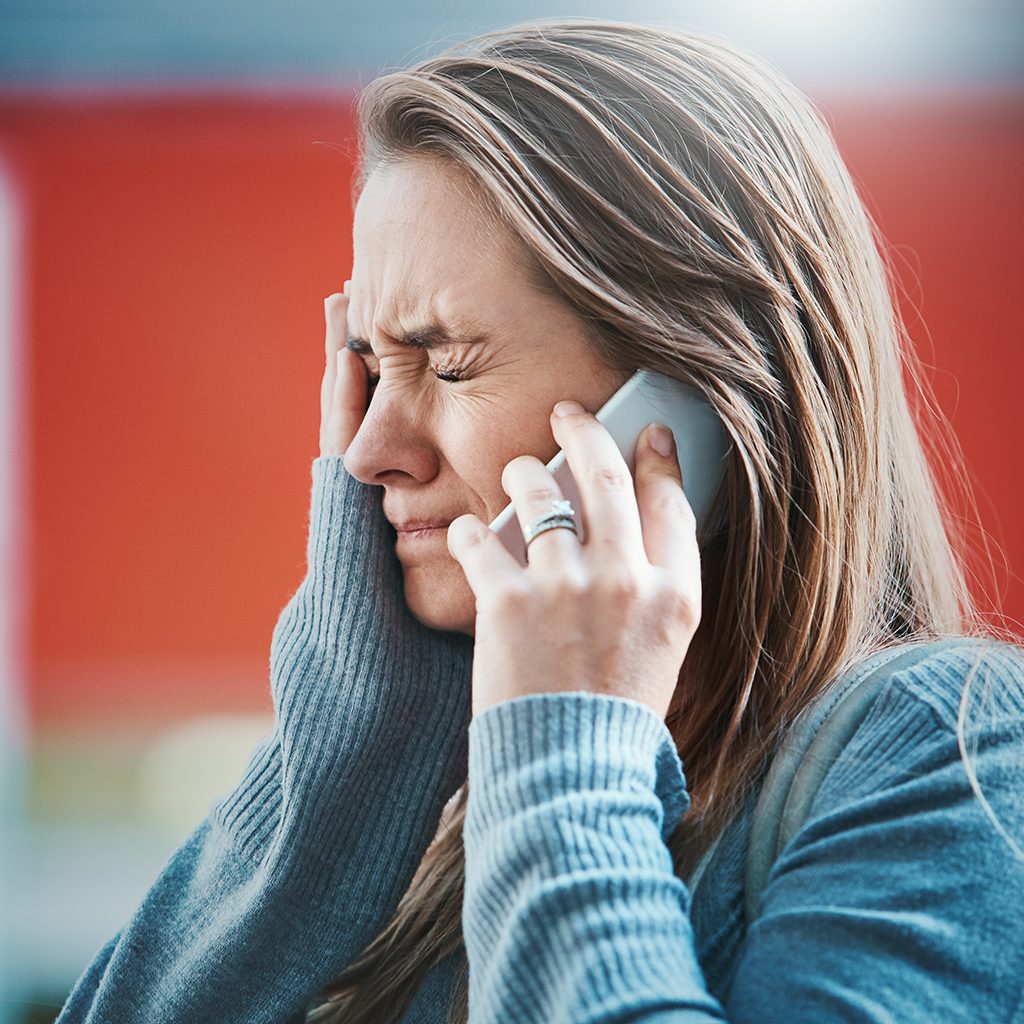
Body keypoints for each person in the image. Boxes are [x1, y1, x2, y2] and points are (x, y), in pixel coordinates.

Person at [57, 18, 1024, 1024]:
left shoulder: (948, 750)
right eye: (368, 366)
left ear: (682, 411)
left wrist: (567, 752)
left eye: (449, 363)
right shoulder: (435, 834)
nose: (367, 452)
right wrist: (337, 784)